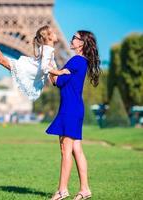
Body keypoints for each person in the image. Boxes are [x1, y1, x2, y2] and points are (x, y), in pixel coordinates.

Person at [47, 30, 101, 200]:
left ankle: (62, 190)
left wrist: (48, 66)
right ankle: (84, 189)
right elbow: (59, 80)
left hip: (70, 109)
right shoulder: (81, 61)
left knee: (65, 149)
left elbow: (59, 78)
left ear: (82, 43)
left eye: (75, 38)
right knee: (76, 149)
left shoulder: (76, 60)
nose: (71, 39)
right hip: (74, 108)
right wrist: (54, 71)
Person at [0, 25, 70, 101]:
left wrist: (54, 77)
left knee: (1, 60)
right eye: (53, 33)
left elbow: (51, 65)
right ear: (49, 36)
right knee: (1, 59)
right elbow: (44, 67)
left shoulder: (48, 48)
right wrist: (60, 73)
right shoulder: (48, 49)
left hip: (31, 70)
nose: (56, 34)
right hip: (29, 70)